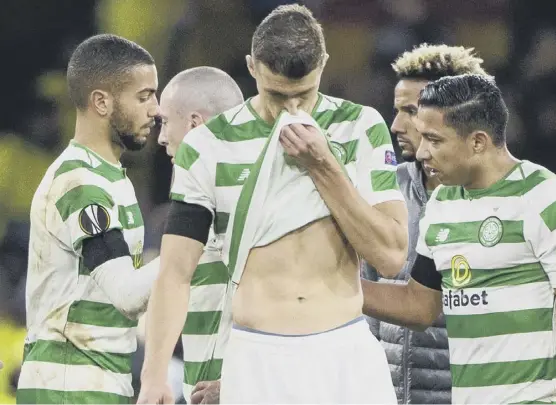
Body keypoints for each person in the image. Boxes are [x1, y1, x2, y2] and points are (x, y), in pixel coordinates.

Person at [138, 4, 408, 404]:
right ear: (252, 67)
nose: (291, 109)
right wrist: (155, 374)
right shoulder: (207, 145)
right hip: (256, 356)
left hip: (343, 353)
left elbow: (390, 256)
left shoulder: (360, 126)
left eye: (303, 94)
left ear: (324, 66)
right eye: (277, 95)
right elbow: (176, 273)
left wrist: (324, 166)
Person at [362, 74, 556, 404]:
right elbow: (419, 307)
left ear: (477, 142)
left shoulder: (550, 200)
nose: (421, 153)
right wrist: (332, 286)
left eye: (434, 140)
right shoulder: (443, 203)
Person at [16, 34, 162, 404]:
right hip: (68, 386)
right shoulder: (81, 183)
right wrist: (194, 238)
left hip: (97, 381)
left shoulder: (110, 176)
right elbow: (127, 294)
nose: (156, 109)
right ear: (101, 102)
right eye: (143, 97)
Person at [361, 44, 490, 404]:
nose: (396, 125)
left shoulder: (502, 201)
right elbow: (364, 305)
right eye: (396, 110)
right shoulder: (383, 190)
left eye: (411, 111)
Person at [157, 66, 244, 404]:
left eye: (165, 122)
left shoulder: (244, 193)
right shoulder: (201, 192)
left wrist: (235, 383)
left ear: (195, 123)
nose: (162, 137)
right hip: (204, 388)